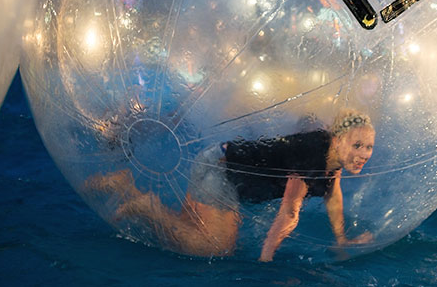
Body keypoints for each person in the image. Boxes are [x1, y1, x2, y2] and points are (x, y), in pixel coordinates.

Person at [86, 109, 375, 261]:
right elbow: (290, 210)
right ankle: (147, 206)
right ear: (338, 140)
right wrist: (266, 259)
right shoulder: (313, 155)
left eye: (369, 147)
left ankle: (123, 185)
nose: (363, 154)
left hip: (220, 162)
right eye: (357, 145)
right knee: (215, 249)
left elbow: (333, 195)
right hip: (221, 171)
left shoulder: (331, 159)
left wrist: (340, 239)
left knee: (189, 229)